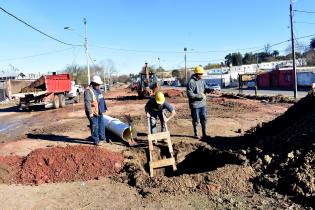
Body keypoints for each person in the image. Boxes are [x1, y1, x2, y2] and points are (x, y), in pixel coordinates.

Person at [186, 66, 211, 139]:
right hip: (195, 105)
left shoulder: (202, 81)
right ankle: (196, 134)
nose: (201, 75)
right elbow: (189, 94)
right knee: (195, 119)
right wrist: (199, 96)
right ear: (197, 74)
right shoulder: (191, 82)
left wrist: (209, 90)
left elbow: (205, 88)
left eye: (202, 74)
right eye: (200, 74)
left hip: (203, 104)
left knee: (204, 119)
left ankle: (204, 134)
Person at [84, 75, 107, 146]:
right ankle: (96, 140)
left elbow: (101, 100)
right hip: (93, 113)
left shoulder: (98, 90)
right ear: (93, 83)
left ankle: (102, 138)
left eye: (99, 84)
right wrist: (90, 112)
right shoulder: (88, 91)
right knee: (95, 126)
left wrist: (103, 108)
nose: (98, 86)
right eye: (97, 84)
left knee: (101, 125)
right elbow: (87, 102)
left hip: (99, 111)